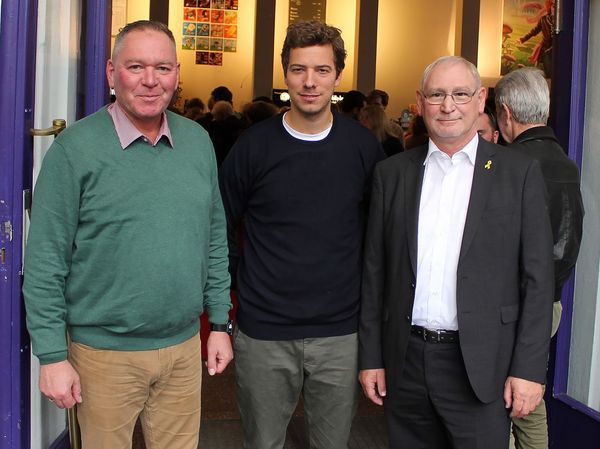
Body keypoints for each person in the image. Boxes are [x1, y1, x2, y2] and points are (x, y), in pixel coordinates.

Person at [22, 20, 233, 449]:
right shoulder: (74, 150)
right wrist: (51, 356)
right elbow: (45, 261)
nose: (151, 81)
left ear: (177, 74)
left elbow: (213, 238)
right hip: (102, 358)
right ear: (110, 73)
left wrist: (221, 323)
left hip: (182, 349)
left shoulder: (197, 141)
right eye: (135, 66)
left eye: (163, 68)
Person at [358, 55, 554, 449]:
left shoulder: (519, 173)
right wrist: (371, 357)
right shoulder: (391, 174)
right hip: (406, 361)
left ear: (481, 100)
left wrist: (529, 370)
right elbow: (375, 273)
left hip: (481, 367)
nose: (448, 106)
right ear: (419, 101)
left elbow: (538, 279)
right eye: (437, 95)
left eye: (460, 94)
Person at [219, 20, 384, 449]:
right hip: (264, 332)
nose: (309, 82)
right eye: (298, 70)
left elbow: (377, 237)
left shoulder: (363, 148)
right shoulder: (252, 147)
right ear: (285, 73)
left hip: (340, 334)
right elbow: (218, 225)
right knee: (263, 443)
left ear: (338, 77)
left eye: (321, 70)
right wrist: (243, 281)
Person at [495, 67, 584, 449]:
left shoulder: (511, 165)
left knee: (511, 397)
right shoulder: (564, 160)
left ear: (505, 113)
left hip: (514, 303)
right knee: (528, 391)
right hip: (549, 300)